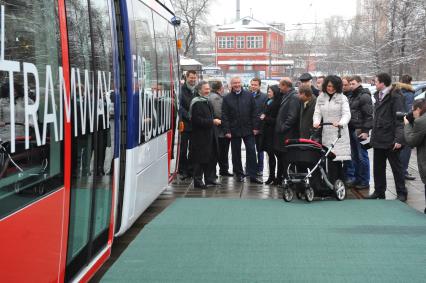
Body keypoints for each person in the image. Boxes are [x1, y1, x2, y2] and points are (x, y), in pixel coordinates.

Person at [367, 73, 407, 201]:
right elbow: (377, 119)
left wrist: (399, 139)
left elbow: (400, 120)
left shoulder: (395, 96)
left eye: (376, 81)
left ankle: (401, 193)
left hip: (391, 139)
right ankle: (379, 191)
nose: (374, 83)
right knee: (378, 168)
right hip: (379, 138)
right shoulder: (378, 95)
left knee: (397, 168)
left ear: (382, 83)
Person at [222, 77, 262, 184]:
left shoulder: (249, 96)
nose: (237, 84)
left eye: (238, 82)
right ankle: (238, 174)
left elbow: (254, 112)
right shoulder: (226, 98)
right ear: (231, 84)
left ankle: (253, 175)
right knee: (235, 153)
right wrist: (227, 131)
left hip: (248, 129)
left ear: (242, 83)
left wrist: (255, 127)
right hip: (234, 130)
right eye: (234, 83)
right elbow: (224, 115)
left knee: (252, 152)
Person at [313, 75, 351, 184]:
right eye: (329, 86)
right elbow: (317, 112)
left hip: (339, 134)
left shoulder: (342, 98)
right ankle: (330, 183)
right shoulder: (321, 97)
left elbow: (347, 114)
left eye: (333, 86)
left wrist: (340, 123)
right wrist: (316, 122)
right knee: (328, 160)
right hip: (326, 133)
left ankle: (339, 184)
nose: (331, 88)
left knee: (337, 161)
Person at [189, 81, 221, 189]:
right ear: (199, 90)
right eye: (205, 89)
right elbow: (197, 121)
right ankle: (198, 181)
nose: (208, 91)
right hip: (201, 137)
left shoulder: (207, 101)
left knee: (211, 157)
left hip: (210, 135)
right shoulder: (197, 103)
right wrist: (212, 122)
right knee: (200, 159)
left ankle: (210, 179)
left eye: (209, 88)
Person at [346, 75, 373, 190]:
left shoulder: (364, 96)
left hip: (360, 130)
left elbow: (369, 115)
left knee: (362, 156)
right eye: (350, 84)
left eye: (353, 84)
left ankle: (365, 181)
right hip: (352, 128)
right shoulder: (353, 95)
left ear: (359, 83)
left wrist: (366, 131)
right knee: (354, 156)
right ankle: (357, 178)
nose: (351, 86)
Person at [274, 78, 300, 184]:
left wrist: (283, 127)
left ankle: (288, 179)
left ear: (285, 85)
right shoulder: (287, 95)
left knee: (287, 158)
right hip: (283, 134)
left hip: (288, 134)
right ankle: (283, 178)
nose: (279, 87)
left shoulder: (293, 96)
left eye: (280, 85)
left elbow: (292, 116)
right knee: (282, 158)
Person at [403, 99, 426, 214]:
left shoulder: (421, 121)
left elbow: (412, 141)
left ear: (419, 109)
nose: (412, 113)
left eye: (413, 111)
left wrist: (407, 126)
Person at [208, 80, 233, 177]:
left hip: (216, 130)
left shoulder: (211, 96)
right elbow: (219, 113)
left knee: (217, 152)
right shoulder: (217, 98)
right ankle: (223, 170)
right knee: (222, 151)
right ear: (220, 88)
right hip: (220, 130)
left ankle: (218, 171)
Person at [260, 85, 282, 185]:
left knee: (277, 156)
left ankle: (278, 177)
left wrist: (265, 118)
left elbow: (277, 120)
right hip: (267, 133)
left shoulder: (277, 103)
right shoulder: (268, 101)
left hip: (274, 134)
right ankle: (271, 176)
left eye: (270, 91)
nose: (268, 93)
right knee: (270, 156)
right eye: (268, 91)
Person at [178, 70, 197, 179]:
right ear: (186, 78)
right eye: (191, 78)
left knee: (193, 148)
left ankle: (191, 169)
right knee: (183, 149)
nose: (193, 80)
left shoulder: (197, 90)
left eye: (194, 78)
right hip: (184, 124)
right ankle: (182, 170)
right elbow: (179, 106)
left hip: (195, 124)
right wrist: (188, 115)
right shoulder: (181, 90)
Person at [398, 74, 416, 181]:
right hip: (405, 123)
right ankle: (403, 171)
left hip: (397, 123)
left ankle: (400, 170)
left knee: (400, 149)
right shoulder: (409, 94)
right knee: (406, 149)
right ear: (409, 82)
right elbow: (410, 111)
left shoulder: (397, 92)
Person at [250, 78, 267, 176]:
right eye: (252, 84)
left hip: (259, 129)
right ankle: (250, 168)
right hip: (249, 128)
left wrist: (257, 128)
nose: (253, 86)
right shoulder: (247, 95)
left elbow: (263, 114)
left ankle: (260, 169)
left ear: (259, 86)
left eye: (255, 85)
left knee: (260, 150)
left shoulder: (264, 97)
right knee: (250, 150)